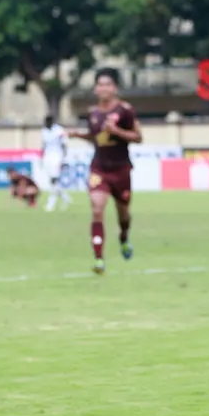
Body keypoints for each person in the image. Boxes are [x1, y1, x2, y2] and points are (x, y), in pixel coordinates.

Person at [68, 69, 142, 274]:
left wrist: (117, 132)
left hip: (121, 170)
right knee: (97, 208)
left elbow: (138, 137)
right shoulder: (93, 112)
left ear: (115, 88)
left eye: (107, 84)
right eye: (100, 85)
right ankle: (98, 258)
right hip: (99, 168)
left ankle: (124, 238)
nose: (103, 88)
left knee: (123, 214)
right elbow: (96, 137)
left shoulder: (125, 110)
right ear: (95, 89)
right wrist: (78, 135)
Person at [40, 115, 72, 212]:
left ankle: (51, 204)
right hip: (47, 156)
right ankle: (66, 198)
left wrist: (64, 158)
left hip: (57, 155)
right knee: (52, 180)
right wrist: (42, 157)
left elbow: (64, 144)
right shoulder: (43, 131)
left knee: (54, 179)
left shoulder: (59, 130)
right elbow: (44, 145)